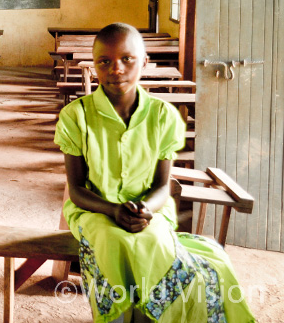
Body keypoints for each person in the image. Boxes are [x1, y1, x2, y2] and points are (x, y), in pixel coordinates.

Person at [54, 23, 255, 323]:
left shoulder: (163, 116)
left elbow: (163, 185)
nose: (116, 69)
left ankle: (151, 317)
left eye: (127, 59)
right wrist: (112, 209)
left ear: (145, 62)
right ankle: (118, 317)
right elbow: (77, 189)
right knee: (113, 242)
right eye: (104, 62)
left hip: (151, 209)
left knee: (155, 243)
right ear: (94, 66)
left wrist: (146, 208)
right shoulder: (76, 116)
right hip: (94, 211)